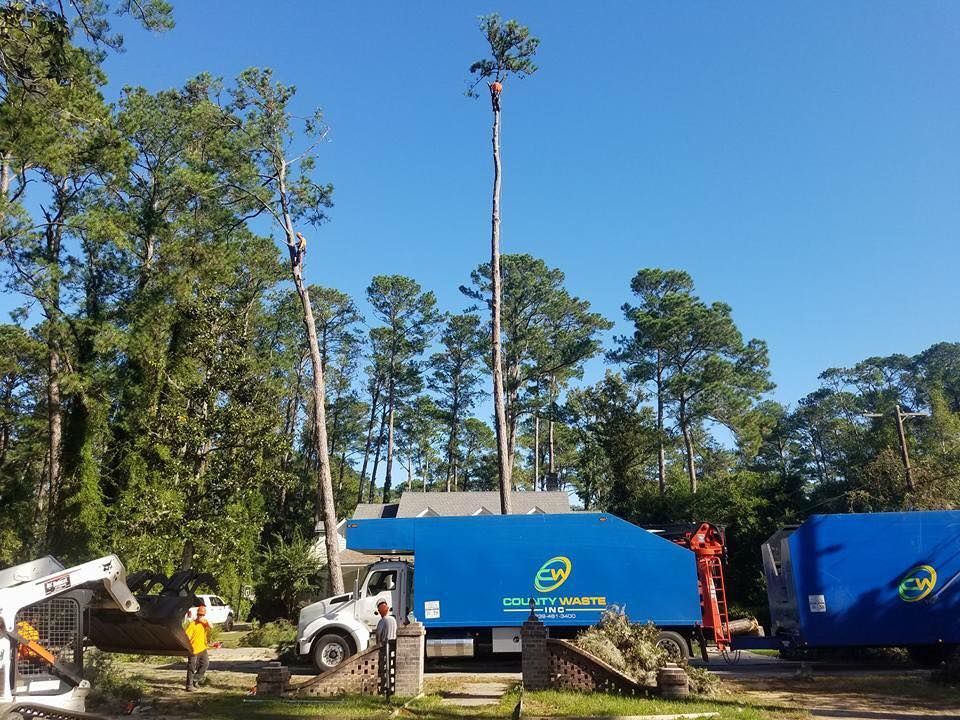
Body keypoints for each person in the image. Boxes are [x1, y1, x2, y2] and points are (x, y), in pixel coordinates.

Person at [184, 604, 211, 691]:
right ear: (197, 614)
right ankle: (189, 686)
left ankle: (195, 680)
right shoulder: (192, 624)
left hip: (202, 648)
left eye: (202, 615)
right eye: (199, 614)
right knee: (191, 667)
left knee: (205, 664)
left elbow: (211, 626)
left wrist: (205, 621)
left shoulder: (204, 623)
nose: (201, 616)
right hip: (193, 650)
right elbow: (186, 636)